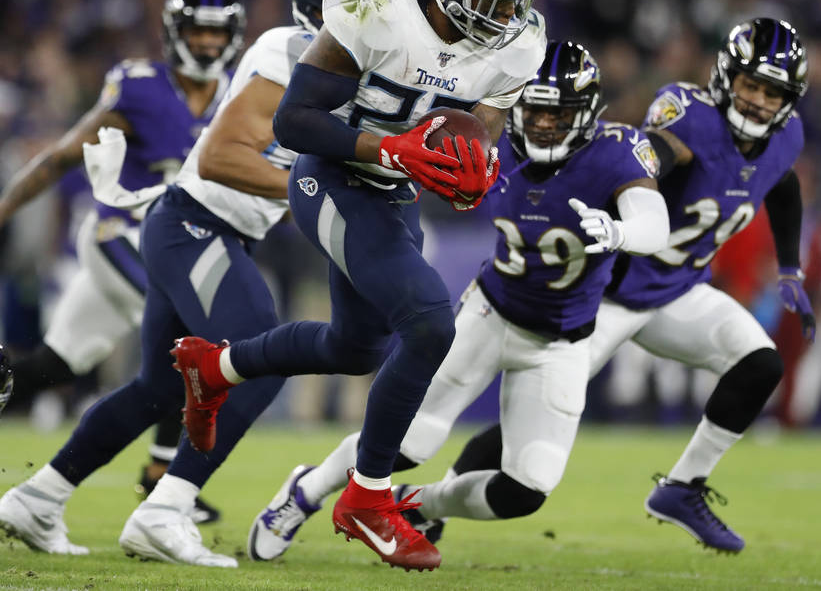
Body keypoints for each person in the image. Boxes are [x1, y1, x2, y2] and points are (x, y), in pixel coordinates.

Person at [168, 0, 546, 572]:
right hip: (332, 177)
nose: (508, 18)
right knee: (430, 322)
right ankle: (366, 499)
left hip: (392, 191)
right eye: (492, 0)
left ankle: (214, 367)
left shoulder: (517, 41)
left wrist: (474, 155)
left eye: (514, 3)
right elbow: (294, 122)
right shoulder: (377, 7)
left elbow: (484, 119)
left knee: (354, 347)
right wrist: (394, 150)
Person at [0, 0, 384, 565]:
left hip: (199, 227)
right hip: (195, 223)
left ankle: (39, 498)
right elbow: (223, 159)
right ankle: (167, 507)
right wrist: (314, 191)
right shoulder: (291, 52)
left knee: (157, 389)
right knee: (258, 355)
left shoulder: (347, 69)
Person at [245, 39, 670, 561]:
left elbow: (656, 222)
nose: (540, 126)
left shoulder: (616, 151)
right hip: (489, 314)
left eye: (557, 116)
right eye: (532, 112)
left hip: (562, 342)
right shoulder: (491, 139)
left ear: (587, 113)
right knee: (411, 439)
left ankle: (418, 505)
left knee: (527, 488)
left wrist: (621, 231)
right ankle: (305, 491)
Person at [406, 18, 816, 554]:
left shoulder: (787, 137)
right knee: (528, 431)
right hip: (609, 294)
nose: (760, 101)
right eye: (751, 86)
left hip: (677, 290)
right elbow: (652, 158)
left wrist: (790, 266)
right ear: (725, 78)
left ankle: (682, 488)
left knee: (760, 364)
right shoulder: (689, 118)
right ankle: (432, 504)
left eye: (772, 92)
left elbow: (781, 181)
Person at [0, 0, 244, 523]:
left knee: (47, 367)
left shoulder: (240, 92)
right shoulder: (139, 87)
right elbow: (62, 157)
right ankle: (160, 478)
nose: (206, 43)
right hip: (122, 238)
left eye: (216, 31)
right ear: (174, 33)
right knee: (189, 340)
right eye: (197, 30)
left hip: (177, 244)